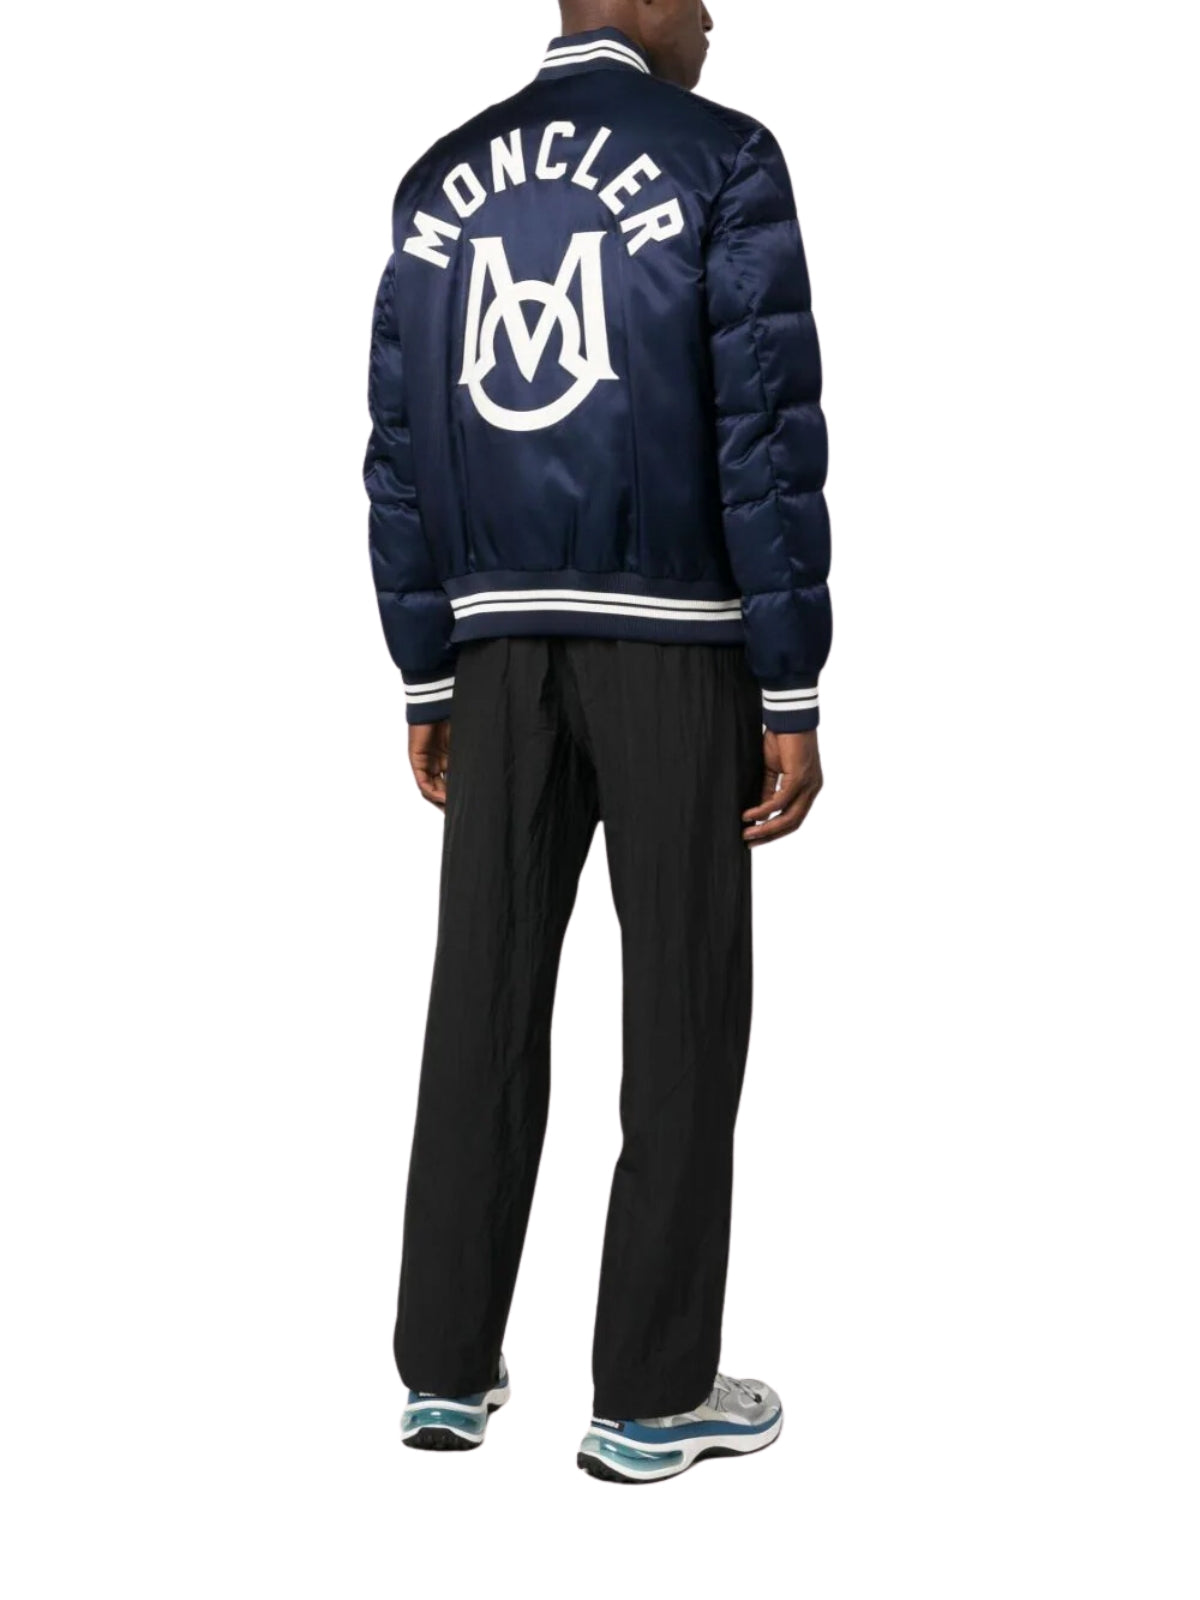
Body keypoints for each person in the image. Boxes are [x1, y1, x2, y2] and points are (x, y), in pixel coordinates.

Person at [364, 0, 832, 1484]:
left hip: (496, 649)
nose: (714, 19)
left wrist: (426, 669)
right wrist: (792, 687)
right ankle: (650, 1394)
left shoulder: (439, 178)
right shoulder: (723, 159)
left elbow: (398, 448)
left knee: (482, 995)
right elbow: (765, 438)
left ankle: (444, 1371)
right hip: (677, 639)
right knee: (682, 1007)